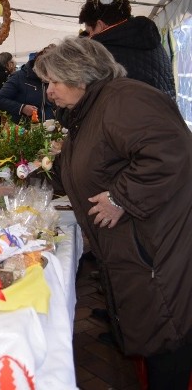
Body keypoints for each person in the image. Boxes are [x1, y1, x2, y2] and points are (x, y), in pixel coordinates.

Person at [34, 36, 192, 389]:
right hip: (137, 245)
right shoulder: (91, 109)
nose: (49, 92)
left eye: (52, 82)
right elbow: (73, 167)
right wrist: (25, 185)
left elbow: (173, 152)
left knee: (168, 334)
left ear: (79, 76)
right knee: (153, 332)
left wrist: (121, 197)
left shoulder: (125, 100)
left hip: (154, 245)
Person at [78, 0, 176, 100]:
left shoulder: (103, 53)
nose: (89, 36)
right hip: (166, 112)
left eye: (89, 32)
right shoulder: (152, 42)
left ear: (100, 25)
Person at [0, 45, 56, 123]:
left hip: (49, 126)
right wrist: (22, 108)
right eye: (47, 70)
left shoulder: (51, 78)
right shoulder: (18, 77)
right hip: (26, 129)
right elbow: (0, 99)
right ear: (39, 64)